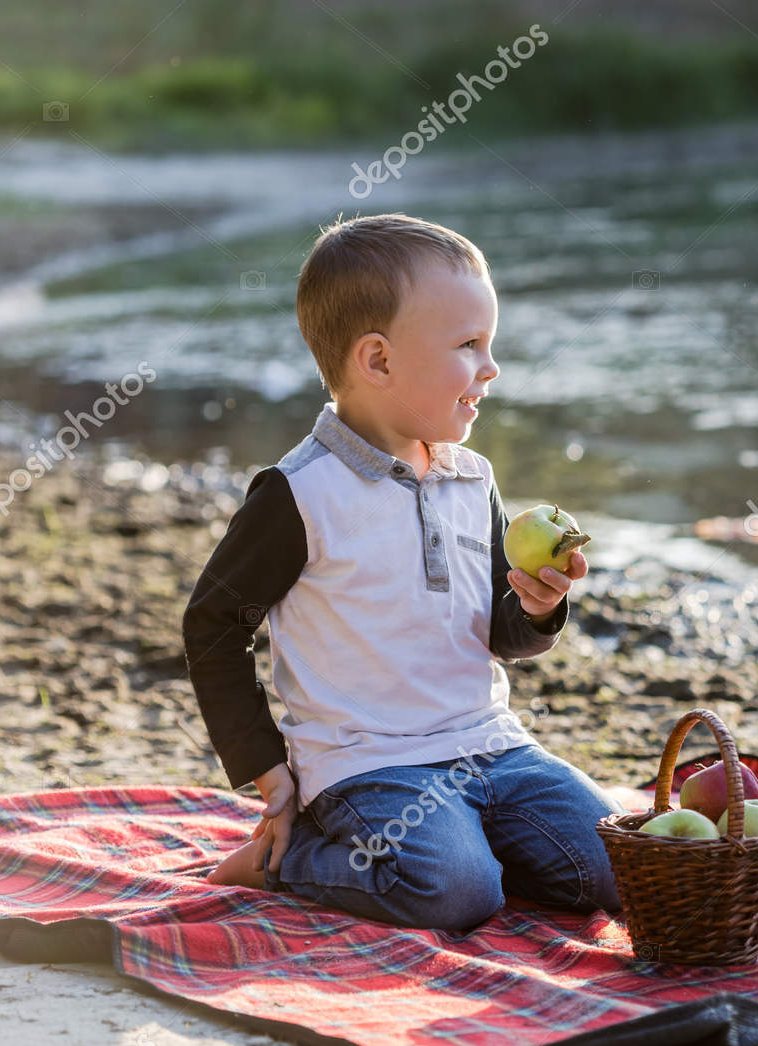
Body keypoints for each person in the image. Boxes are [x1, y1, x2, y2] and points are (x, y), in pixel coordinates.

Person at [182, 213, 621, 931]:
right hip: (368, 767)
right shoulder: (300, 493)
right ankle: (285, 863)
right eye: (469, 346)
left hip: (491, 744)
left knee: (616, 864)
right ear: (378, 361)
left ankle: (478, 840)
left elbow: (499, 633)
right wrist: (267, 766)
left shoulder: (471, 476)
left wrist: (538, 609)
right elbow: (212, 624)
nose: (491, 367)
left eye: (491, 344)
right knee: (456, 890)